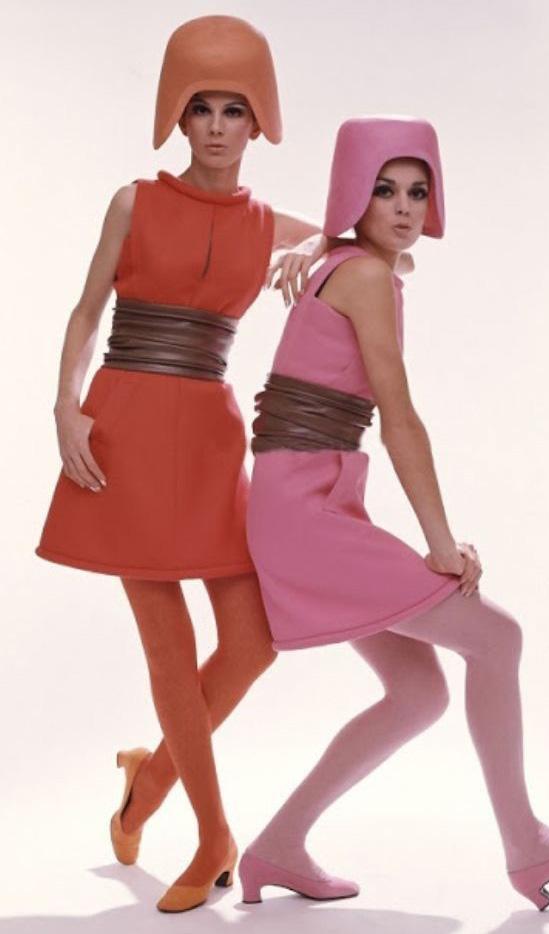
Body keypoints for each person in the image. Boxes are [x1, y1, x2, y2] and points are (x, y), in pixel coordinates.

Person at [238, 116, 549, 911]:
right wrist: (442, 545)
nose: (405, 207)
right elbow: (400, 418)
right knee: (498, 637)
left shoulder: (348, 262)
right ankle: (527, 846)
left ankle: (277, 847)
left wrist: (317, 236)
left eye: (418, 192)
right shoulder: (363, 276)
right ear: (353, 193)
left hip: (305, 503)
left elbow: (387, 254)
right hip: (306, 514)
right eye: (383, 190)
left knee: (419, 694)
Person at [35, 15, 341, 914]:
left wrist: (315, 245)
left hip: (211, 438)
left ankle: (147, 785)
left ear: (259, 122)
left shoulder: (266, 222)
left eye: (233, 109)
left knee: (252, 642)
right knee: (168, 647)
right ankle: (214, 836)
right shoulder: (133, 202)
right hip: (124, 430)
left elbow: (374, 252)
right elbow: (87, 309)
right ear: (176, 114)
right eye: (200, 107)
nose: (215, 126)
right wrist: (64, 406)